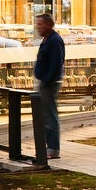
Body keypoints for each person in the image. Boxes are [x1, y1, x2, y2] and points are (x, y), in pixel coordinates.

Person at [31, 10, 64, 165]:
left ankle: (53, 149)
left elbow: (57, 63)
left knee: (49, 116)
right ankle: (48, 147)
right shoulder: (47, 39)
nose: (38, 27)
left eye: (40, 24)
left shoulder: (55, 41)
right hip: (45, 82)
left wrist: (47, 80)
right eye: (37, 24)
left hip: (49, 83)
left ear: (49, 25)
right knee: (46, 115)